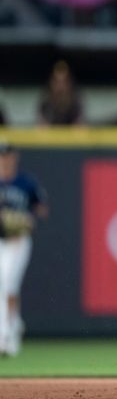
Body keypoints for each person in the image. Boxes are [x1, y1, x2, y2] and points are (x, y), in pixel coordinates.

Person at [0, 141, 47, 356]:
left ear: (14, 158)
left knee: (8, 285)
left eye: (8, 155)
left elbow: (41, 209)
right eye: (2, 156)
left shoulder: (26, 182)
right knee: (4, 288)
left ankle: (7, 335)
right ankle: (13, 326)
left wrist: (26, 219)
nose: (5, 159)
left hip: (18, 241)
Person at [38, 60, 83, 126]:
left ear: (69, 83)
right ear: (52, 82)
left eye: (63, 82)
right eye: (57, 82)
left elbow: (79, 126)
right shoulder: (46, 100)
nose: (60, 86)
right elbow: (41, 125)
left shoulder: (76, 101)